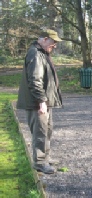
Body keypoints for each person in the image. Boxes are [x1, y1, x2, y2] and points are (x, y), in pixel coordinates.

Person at [16, 29, 63, 174]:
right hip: (37, 102)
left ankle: (45, 158)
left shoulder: (42, 52)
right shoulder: (35, 54)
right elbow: (35, 80)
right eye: (53, 42)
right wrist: (41, 100)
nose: (54, 45)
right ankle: (40, 162)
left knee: (47, 130)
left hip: (43, 101)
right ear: (44, 39)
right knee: (40, 132)